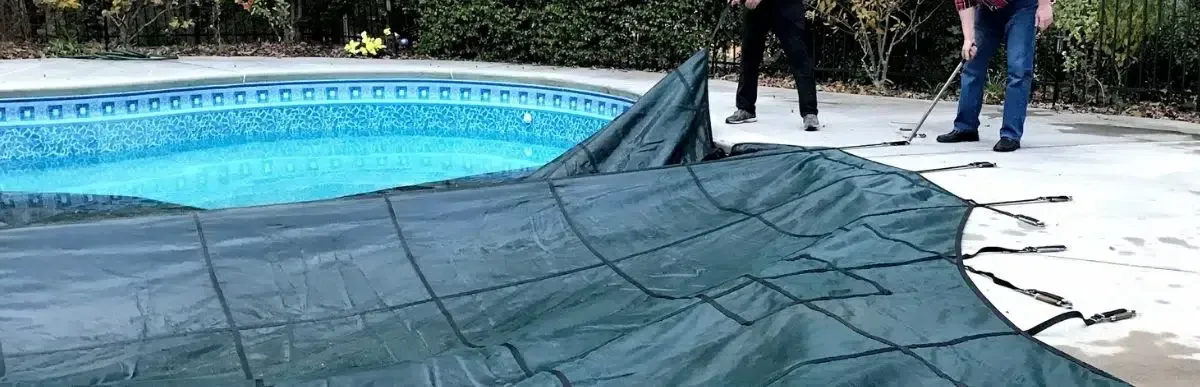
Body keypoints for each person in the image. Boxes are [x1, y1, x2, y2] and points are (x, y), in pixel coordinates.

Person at [935, 0, 1054, 152]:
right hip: (988, 10)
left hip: (1022, 7)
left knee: (1019, 69)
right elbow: (964, 2)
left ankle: (1010, 135)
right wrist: (968, 39)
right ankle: (965, 128)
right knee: (972, 64)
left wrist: (1044, 5)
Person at [724, 0, 821, 132]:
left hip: (787, 5)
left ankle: (809, 113)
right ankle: (745, 108)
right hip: (755, 7)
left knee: (799, 57)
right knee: (749, 56)